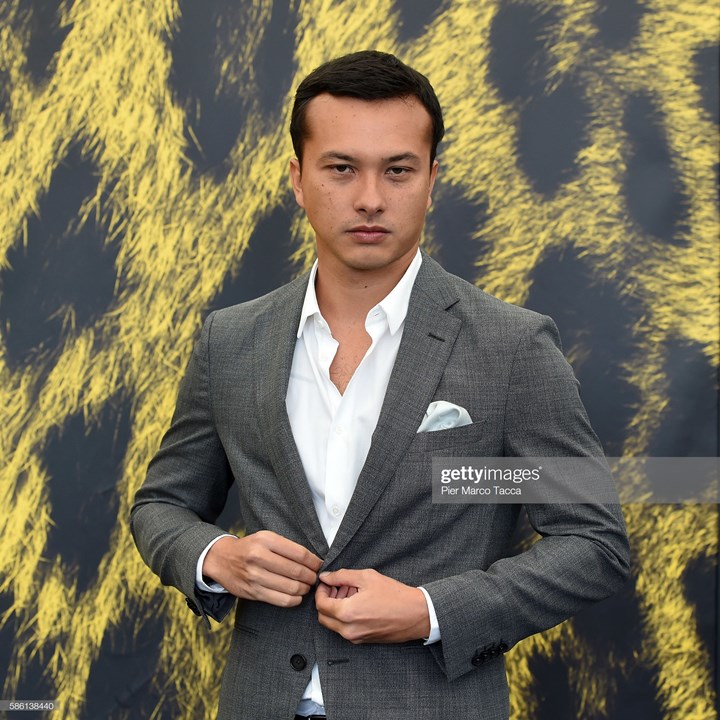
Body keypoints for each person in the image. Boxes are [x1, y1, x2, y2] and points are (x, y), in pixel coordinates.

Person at [131, 50, 630, 720]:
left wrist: (430, 610)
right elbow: (162, 504)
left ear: (431, 180)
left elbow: (594, 545)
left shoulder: (512, 347)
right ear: (298, 179)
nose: (370, 198)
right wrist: (216, 555)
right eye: (341, 168)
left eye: (397, 170)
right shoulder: (230, 340)